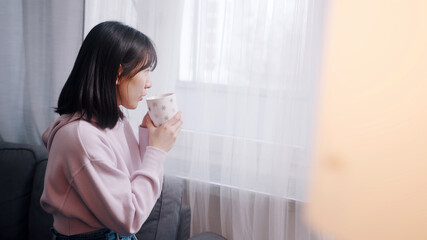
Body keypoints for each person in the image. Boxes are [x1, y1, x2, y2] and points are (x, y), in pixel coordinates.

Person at [40, 21, 183, 240]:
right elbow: (130, 218)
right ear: (118, 72)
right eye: (144, 71)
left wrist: (148, 138)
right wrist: (158, 151)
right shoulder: (81, 137)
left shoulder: (115, 119)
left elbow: (129, 186)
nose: (149, 83)